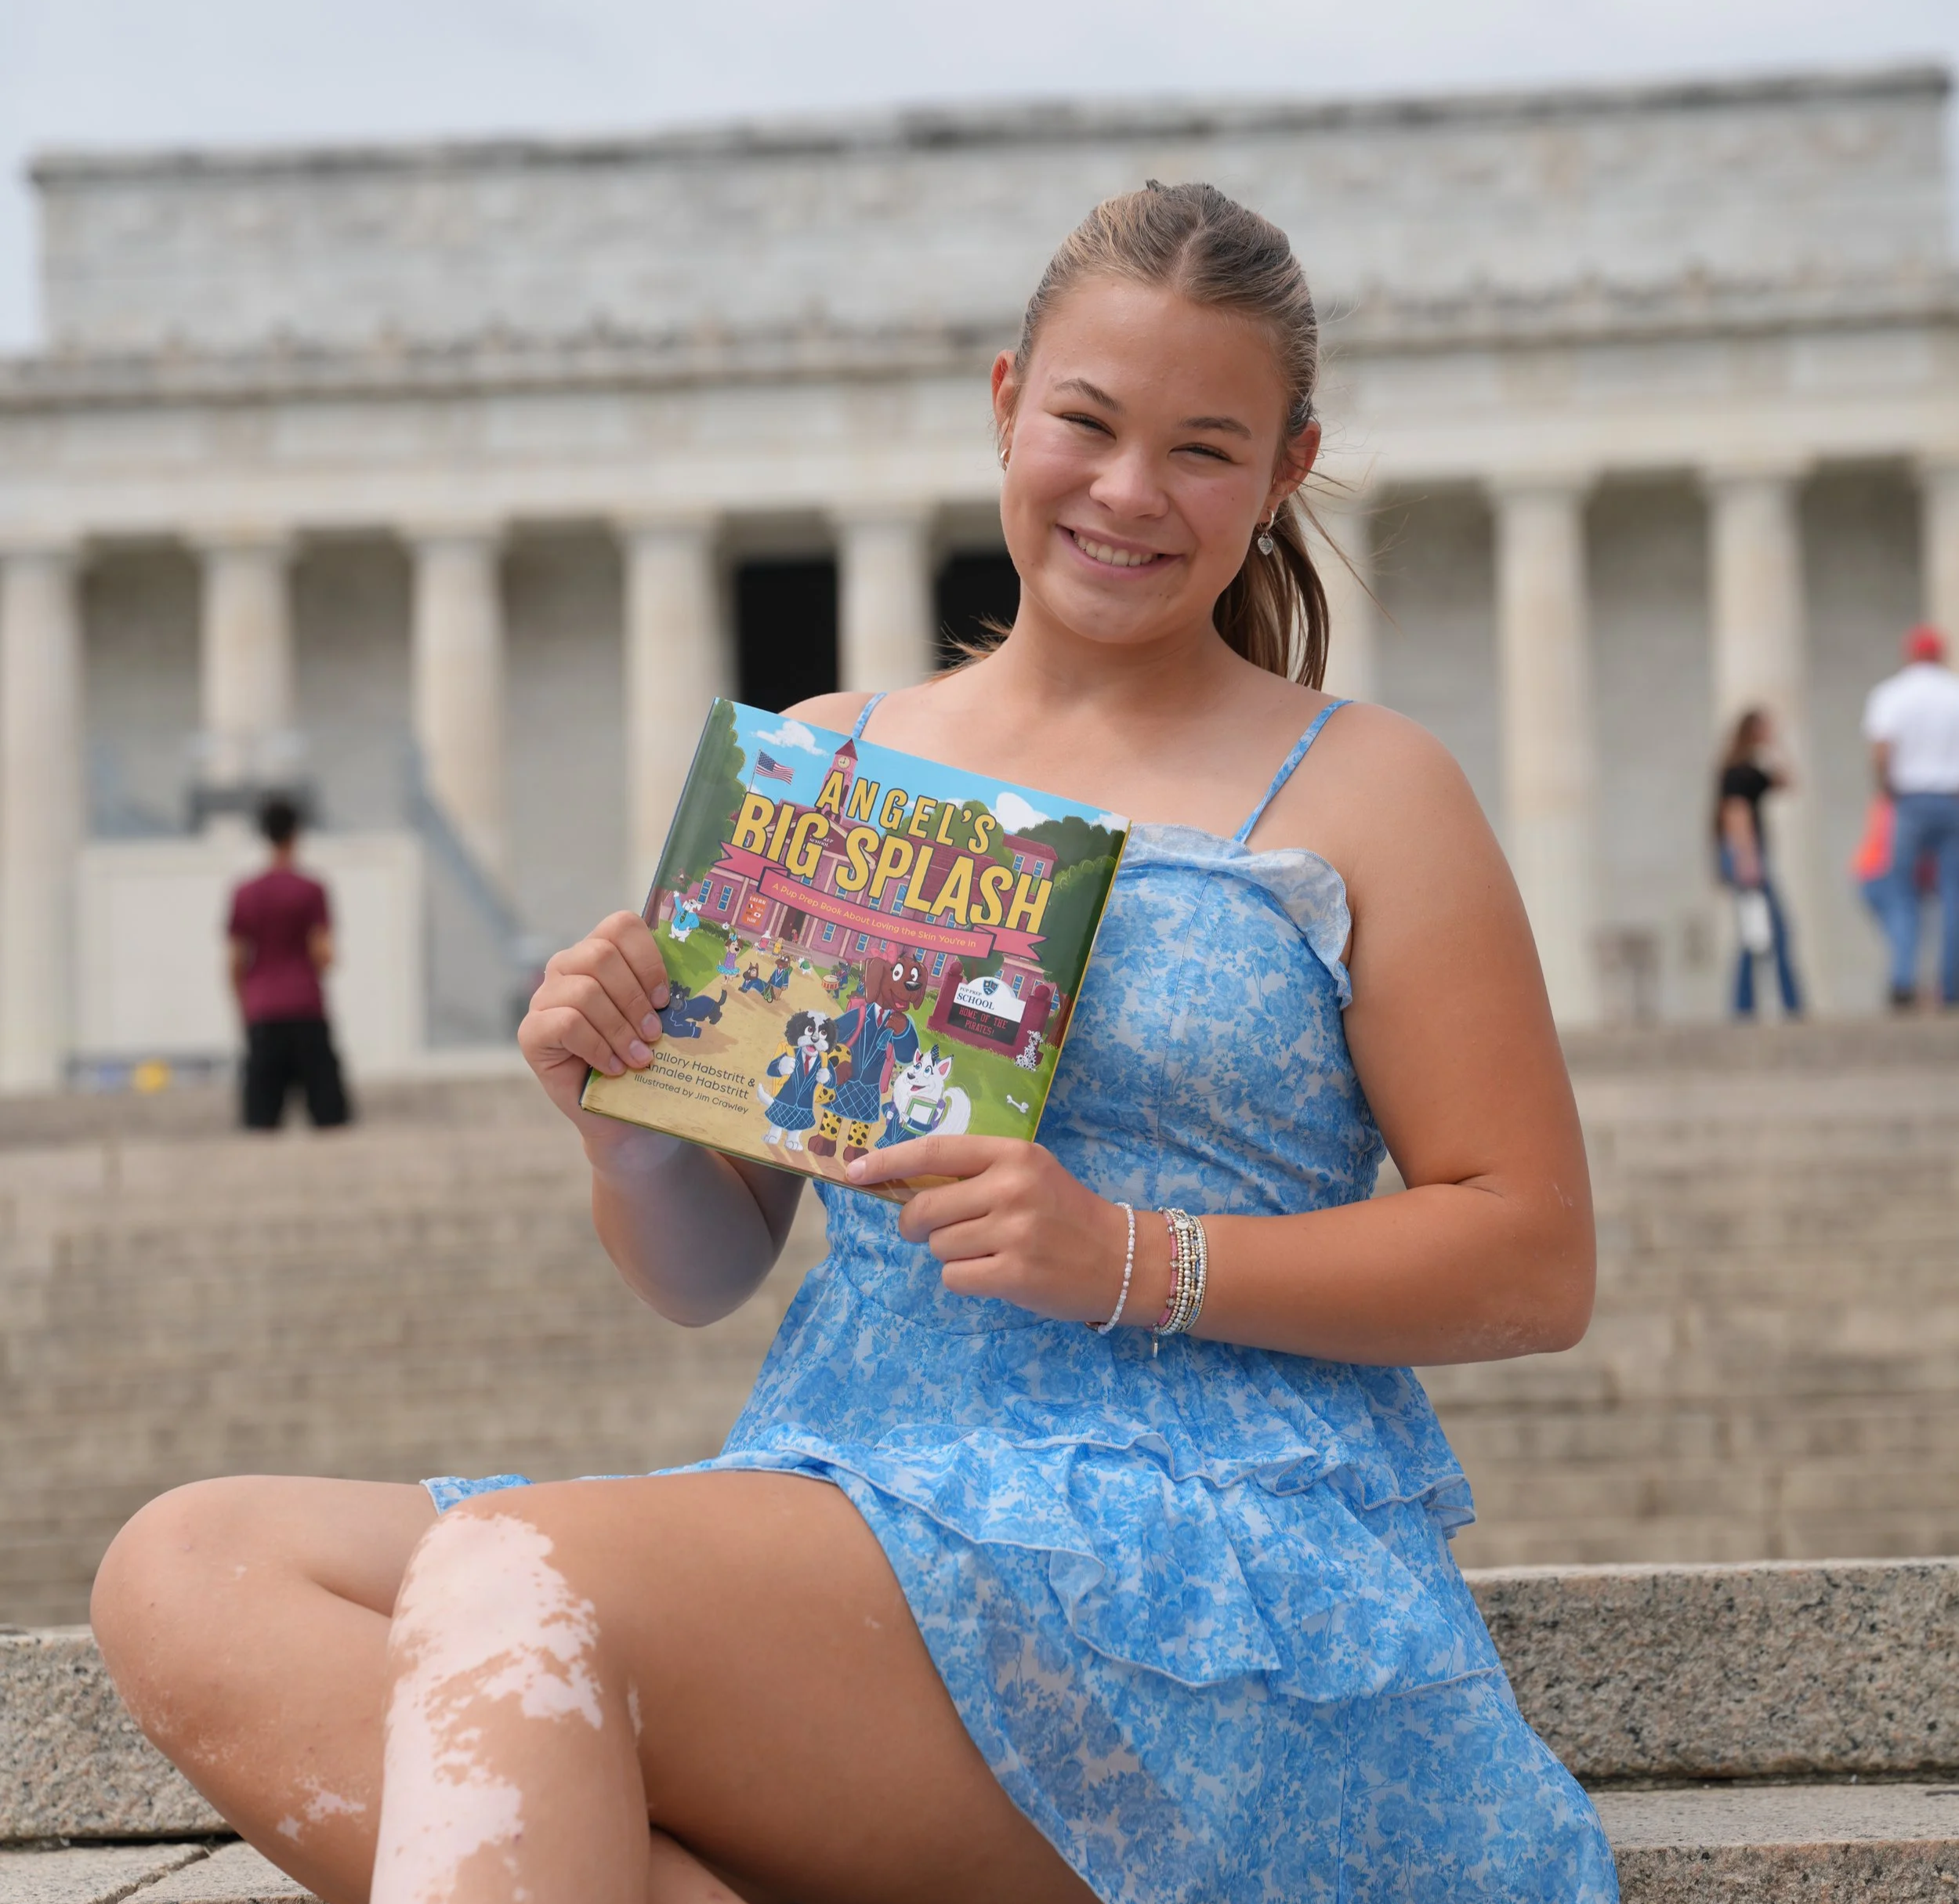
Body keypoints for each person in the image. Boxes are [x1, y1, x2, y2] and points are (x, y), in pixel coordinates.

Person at [89, 185, 1615, 1902]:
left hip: (1199, 1559)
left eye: (1200, 447)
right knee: (190, 1564)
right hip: (841, 1494)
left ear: (1284, 468)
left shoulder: (1364, 788)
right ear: (1002, 406)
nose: (1124, 492)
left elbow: (1530, 1255)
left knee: (517, 1573)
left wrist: (1125, 1255)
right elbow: (697, 1272)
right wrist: (625, 1122)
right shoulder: (832, 763)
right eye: (1085, 423)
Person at [226, 795, 350, 1129]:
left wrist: (245, 1009)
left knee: (260, 1123)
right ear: (296, 834)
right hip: (307, 1010)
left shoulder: (245, 892)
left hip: (263, 1012)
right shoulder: (311, 889)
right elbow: (323, 954)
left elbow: (235, 962)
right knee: (330, 1119)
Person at [1863, 624, 1959, 1008]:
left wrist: (1886, 791)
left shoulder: (1892, 694)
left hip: (1910, 800)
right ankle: (1951, 985)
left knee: (1902, 891)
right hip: (1953, 800)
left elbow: (1882, 750)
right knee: (1954, 894)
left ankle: (1903, 978)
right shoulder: (1955, 693)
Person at [1713, 707, 1803, 1019]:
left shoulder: (1751, 769)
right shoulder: (1738, 772)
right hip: (1745, 855)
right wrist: (1748, 860)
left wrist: (1776, 748)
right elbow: (1735, 814)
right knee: (1768, 931)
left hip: (1745, 854)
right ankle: (1783, 1005)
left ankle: (1747, 1006)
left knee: (1755, 934)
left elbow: (1789, 782)